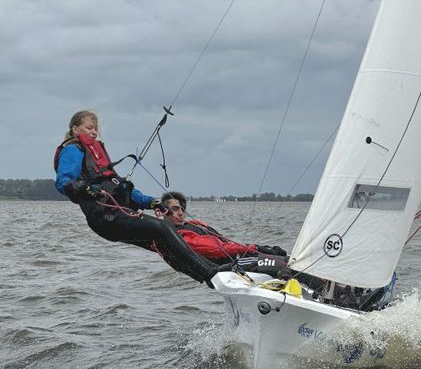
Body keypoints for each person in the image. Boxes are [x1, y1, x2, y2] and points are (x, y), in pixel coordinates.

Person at [54, 110, 217, 285]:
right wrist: (85, 188)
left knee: (160, 242)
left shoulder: (96, 153)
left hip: (115, 214)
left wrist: (151, 202)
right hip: (105, 217)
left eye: (95, 128)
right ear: (75, 129)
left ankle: (210, 274)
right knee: (164, 227)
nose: (94, 132)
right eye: (89, 128)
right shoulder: (73, 150)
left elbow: (119, 187)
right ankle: (210, 273)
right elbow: (63, 182)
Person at [155, 190, 288, 267]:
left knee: (283, 257)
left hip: (238, 256)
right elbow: (219, 249)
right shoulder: (180, 235)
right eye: (175, 209)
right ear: (164, 212)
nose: (180, 213)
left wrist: (260, 248)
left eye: (182, 209)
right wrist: (256, 248)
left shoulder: (195, 224)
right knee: (283, 264)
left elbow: (226, 242)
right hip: (229, 265)